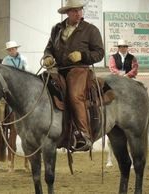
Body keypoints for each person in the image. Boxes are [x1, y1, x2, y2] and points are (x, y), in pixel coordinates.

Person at [42, 0, 104, 151]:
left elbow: (99, 53)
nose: (78, 13)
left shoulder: (90, 30)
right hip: (58, 69)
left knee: (75, 95)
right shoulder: (57, 29)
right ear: (68, 13)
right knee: (42, 88)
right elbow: (49, 48)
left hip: (79, 69)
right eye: (75, 11)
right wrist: (47, 56)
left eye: (80, 10)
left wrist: (82, 55)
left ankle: (84, 135)